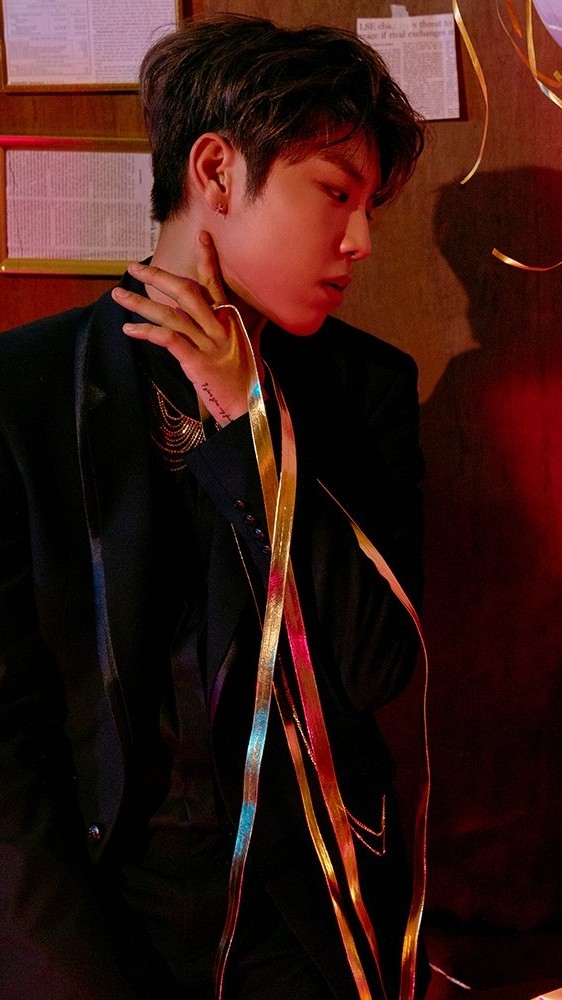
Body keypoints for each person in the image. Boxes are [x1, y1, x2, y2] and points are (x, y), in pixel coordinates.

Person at [0, 14, 427, 1000]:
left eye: (368, 207)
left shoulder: (363, 387)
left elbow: (376, 661)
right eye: (336, 193)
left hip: (305, 924)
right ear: (216, 172)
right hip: (89, 911)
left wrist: (249, 426)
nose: (360, 240)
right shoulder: (24, 393)